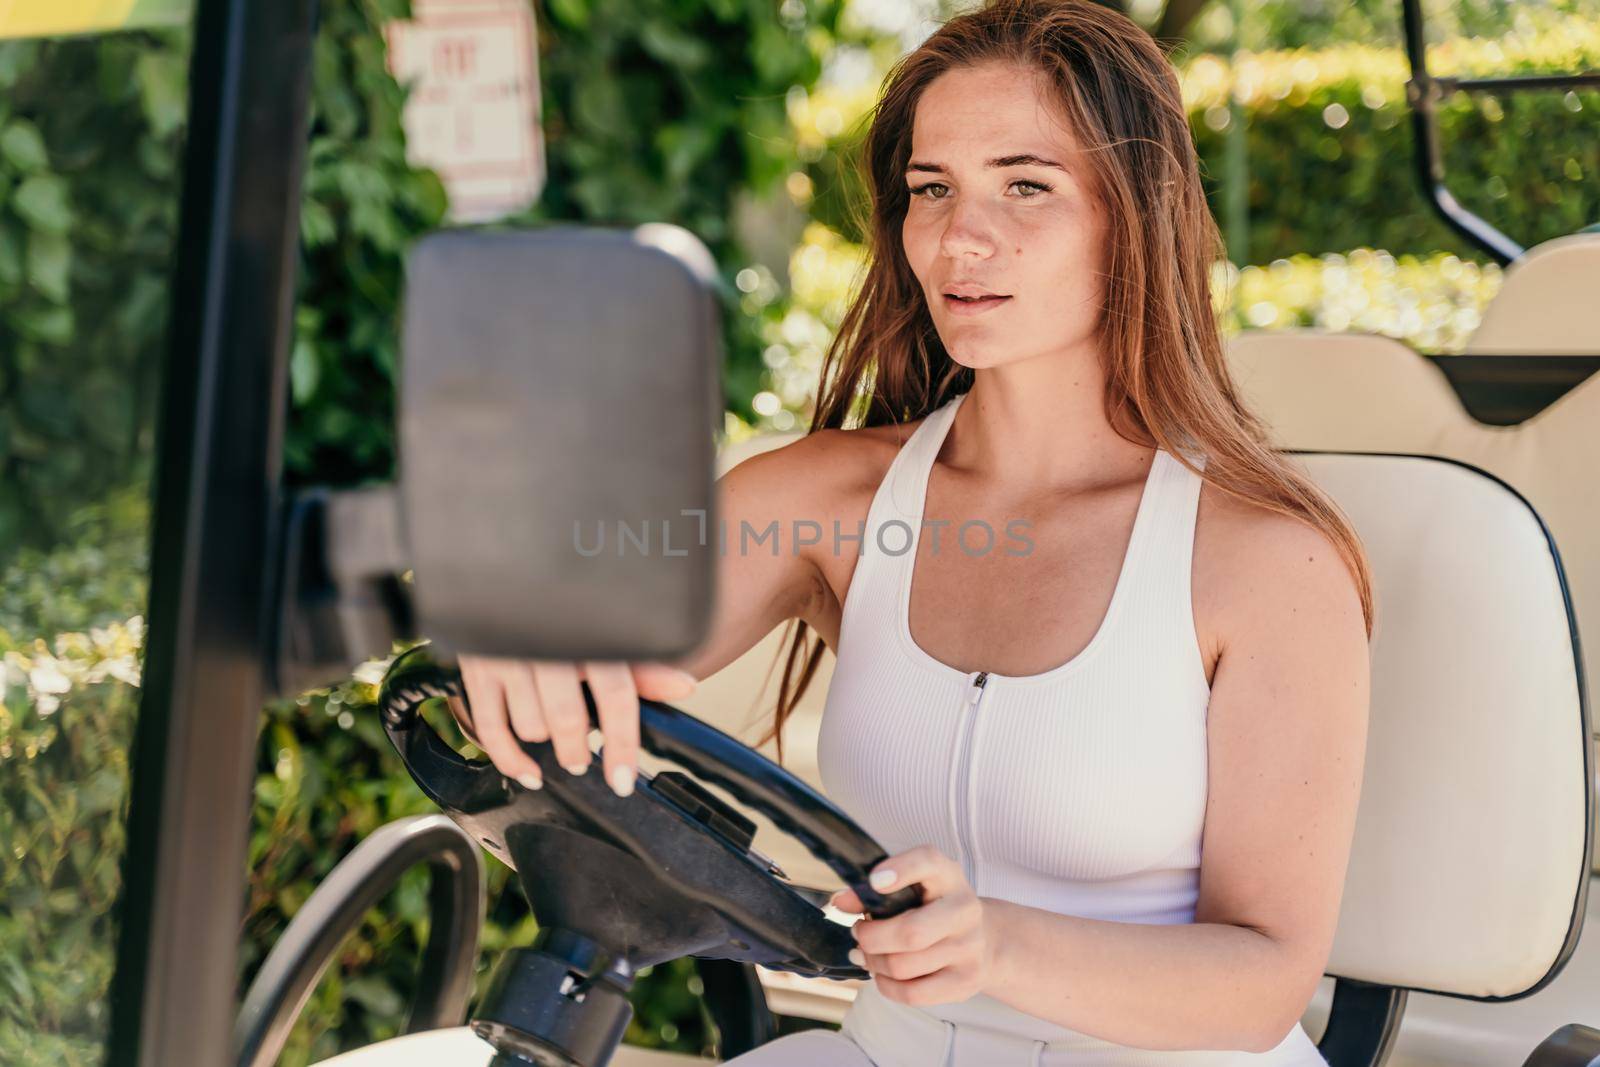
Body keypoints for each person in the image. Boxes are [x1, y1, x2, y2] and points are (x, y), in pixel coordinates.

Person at [448, 0, 1373, 1062]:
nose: (959, 237)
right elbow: (581, 648)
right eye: (931, 189)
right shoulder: (824, 502)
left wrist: (1002, 948)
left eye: (1026, 185)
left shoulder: (1266, 561)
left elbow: (1260, 982)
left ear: (1136, 214)